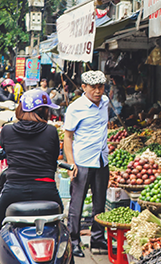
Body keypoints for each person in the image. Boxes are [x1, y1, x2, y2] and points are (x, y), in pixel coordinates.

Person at [0, 89, 81, 264]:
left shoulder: (6, 131)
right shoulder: (51, 132)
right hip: (46, 191)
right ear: (42, 110)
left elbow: (4, 151)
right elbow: (53, 158)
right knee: (62, 229)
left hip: (13, 191)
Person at [63, 71, 110, 254]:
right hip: (82, 161)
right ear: (84, 87)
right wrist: (71, 163)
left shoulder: (105, 102)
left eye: (101, 87)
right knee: (77, 204)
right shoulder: (75, 108)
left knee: (100, 202)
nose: (98, 91)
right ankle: (73, 242)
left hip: (101, 160)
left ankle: (97, 239)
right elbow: (67, 137)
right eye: (93, 87)